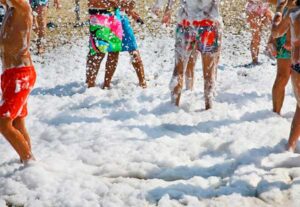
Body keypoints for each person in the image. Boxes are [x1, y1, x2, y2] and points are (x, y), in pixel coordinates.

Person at [153, 0, 222, 109]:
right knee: (209, 72)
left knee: (178, 70)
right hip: (209, 25)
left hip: (185, 24)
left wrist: (167, 9)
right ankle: (209, 109)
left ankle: (172, 108)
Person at [0, 0, 37, 163]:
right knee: (17, 121)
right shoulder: (8, 9)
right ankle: (27, 165)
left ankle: (30, 162)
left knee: (3, 122)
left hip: (21, 75)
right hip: (10, 75)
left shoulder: (22, 6)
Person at [86, 0, 146, 89]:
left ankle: (106, 86)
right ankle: (89, 87)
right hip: (100, 17)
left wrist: (130, 11)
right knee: (98, 53)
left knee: (115, 51)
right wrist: (115, 3)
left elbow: (121, 3)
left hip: (116, 15)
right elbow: (91, 2)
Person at [271, 0, 300, 151]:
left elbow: (275, 31)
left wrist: (278, 12)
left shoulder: (293, 13)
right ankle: (289, 147)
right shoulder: (293, 13)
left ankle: (289, 148)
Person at [246, 0, 273, 66]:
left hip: (265, 8)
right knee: (256, 36)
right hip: (253, 8)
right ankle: (255, 60)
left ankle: (268, 48)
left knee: (277, 27)